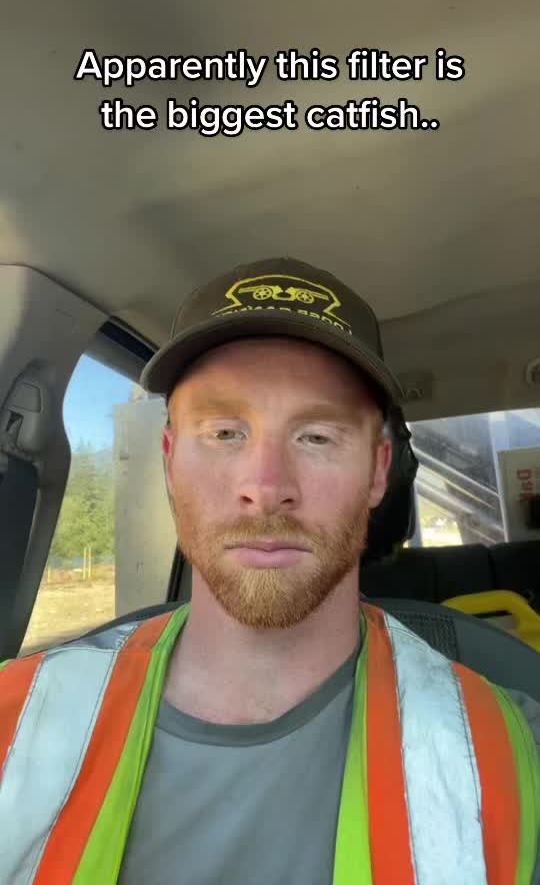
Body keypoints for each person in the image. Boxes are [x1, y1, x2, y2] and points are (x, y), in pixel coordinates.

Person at [0, 256, 539, 885]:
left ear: (377, 471)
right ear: (170, 461)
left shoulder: (512, 751)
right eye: (225, 432)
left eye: (317, 437)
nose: (265, 486)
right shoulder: (15, 718)